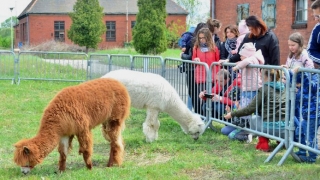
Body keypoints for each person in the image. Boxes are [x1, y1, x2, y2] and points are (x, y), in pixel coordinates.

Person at [224, 69, 286, 152]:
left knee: (254, 118)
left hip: (270, 128)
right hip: (285, 129)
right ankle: (281, 142)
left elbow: (250, 109)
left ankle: (263, 144)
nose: (260, 77)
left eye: (261, 76)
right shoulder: (284, 89)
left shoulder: (264, 89)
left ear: (268, 77)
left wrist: (232, 114)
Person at [222, 42, 265, 142]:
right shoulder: (251, 59)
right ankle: (245, 129)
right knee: (245, 107)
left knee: (246, 108)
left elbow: (247, 61)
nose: (240, 57)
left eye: (241, 55)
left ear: (247, 54)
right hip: (247, 88)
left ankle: (246, 129)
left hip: (251, 88)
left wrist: (237, 67)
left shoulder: (252, 59)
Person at [290, 67, 320, 163]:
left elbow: (313, 87)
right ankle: (302, 151)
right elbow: (296, 80)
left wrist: (304, 74)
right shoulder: (308, 74)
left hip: (313, 114)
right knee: (300, 131)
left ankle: (312, 157)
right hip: (306, 112)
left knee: (309, 137)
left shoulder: (316, 75)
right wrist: (290, 72)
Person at [191, 27, 220, 114]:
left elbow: (217, 62)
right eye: (200, 38)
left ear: (208, 37)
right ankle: (204, 117)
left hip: (212, 76)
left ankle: (208, 117)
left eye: (203, 38)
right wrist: (194, 59)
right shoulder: (196, 48)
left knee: (210, 97)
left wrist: (217, 76)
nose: (202, 40)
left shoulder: (214, 48)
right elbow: (193, 61)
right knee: (204, 97)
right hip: (200, 76)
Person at [180, 22, 208, 111]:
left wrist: (182, 56)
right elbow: (190, 56)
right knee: (195, 92)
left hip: (195, 69)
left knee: (196, 92)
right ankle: (199, 113)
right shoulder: (194, 41)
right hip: (195, 69)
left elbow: (188, 56)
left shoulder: (195, 41)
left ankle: (200, 113)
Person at [307, 0, 320, 69]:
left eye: (318, 16)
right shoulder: (317, 29)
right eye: (315, 16)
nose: (316, 19)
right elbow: (311, 51)